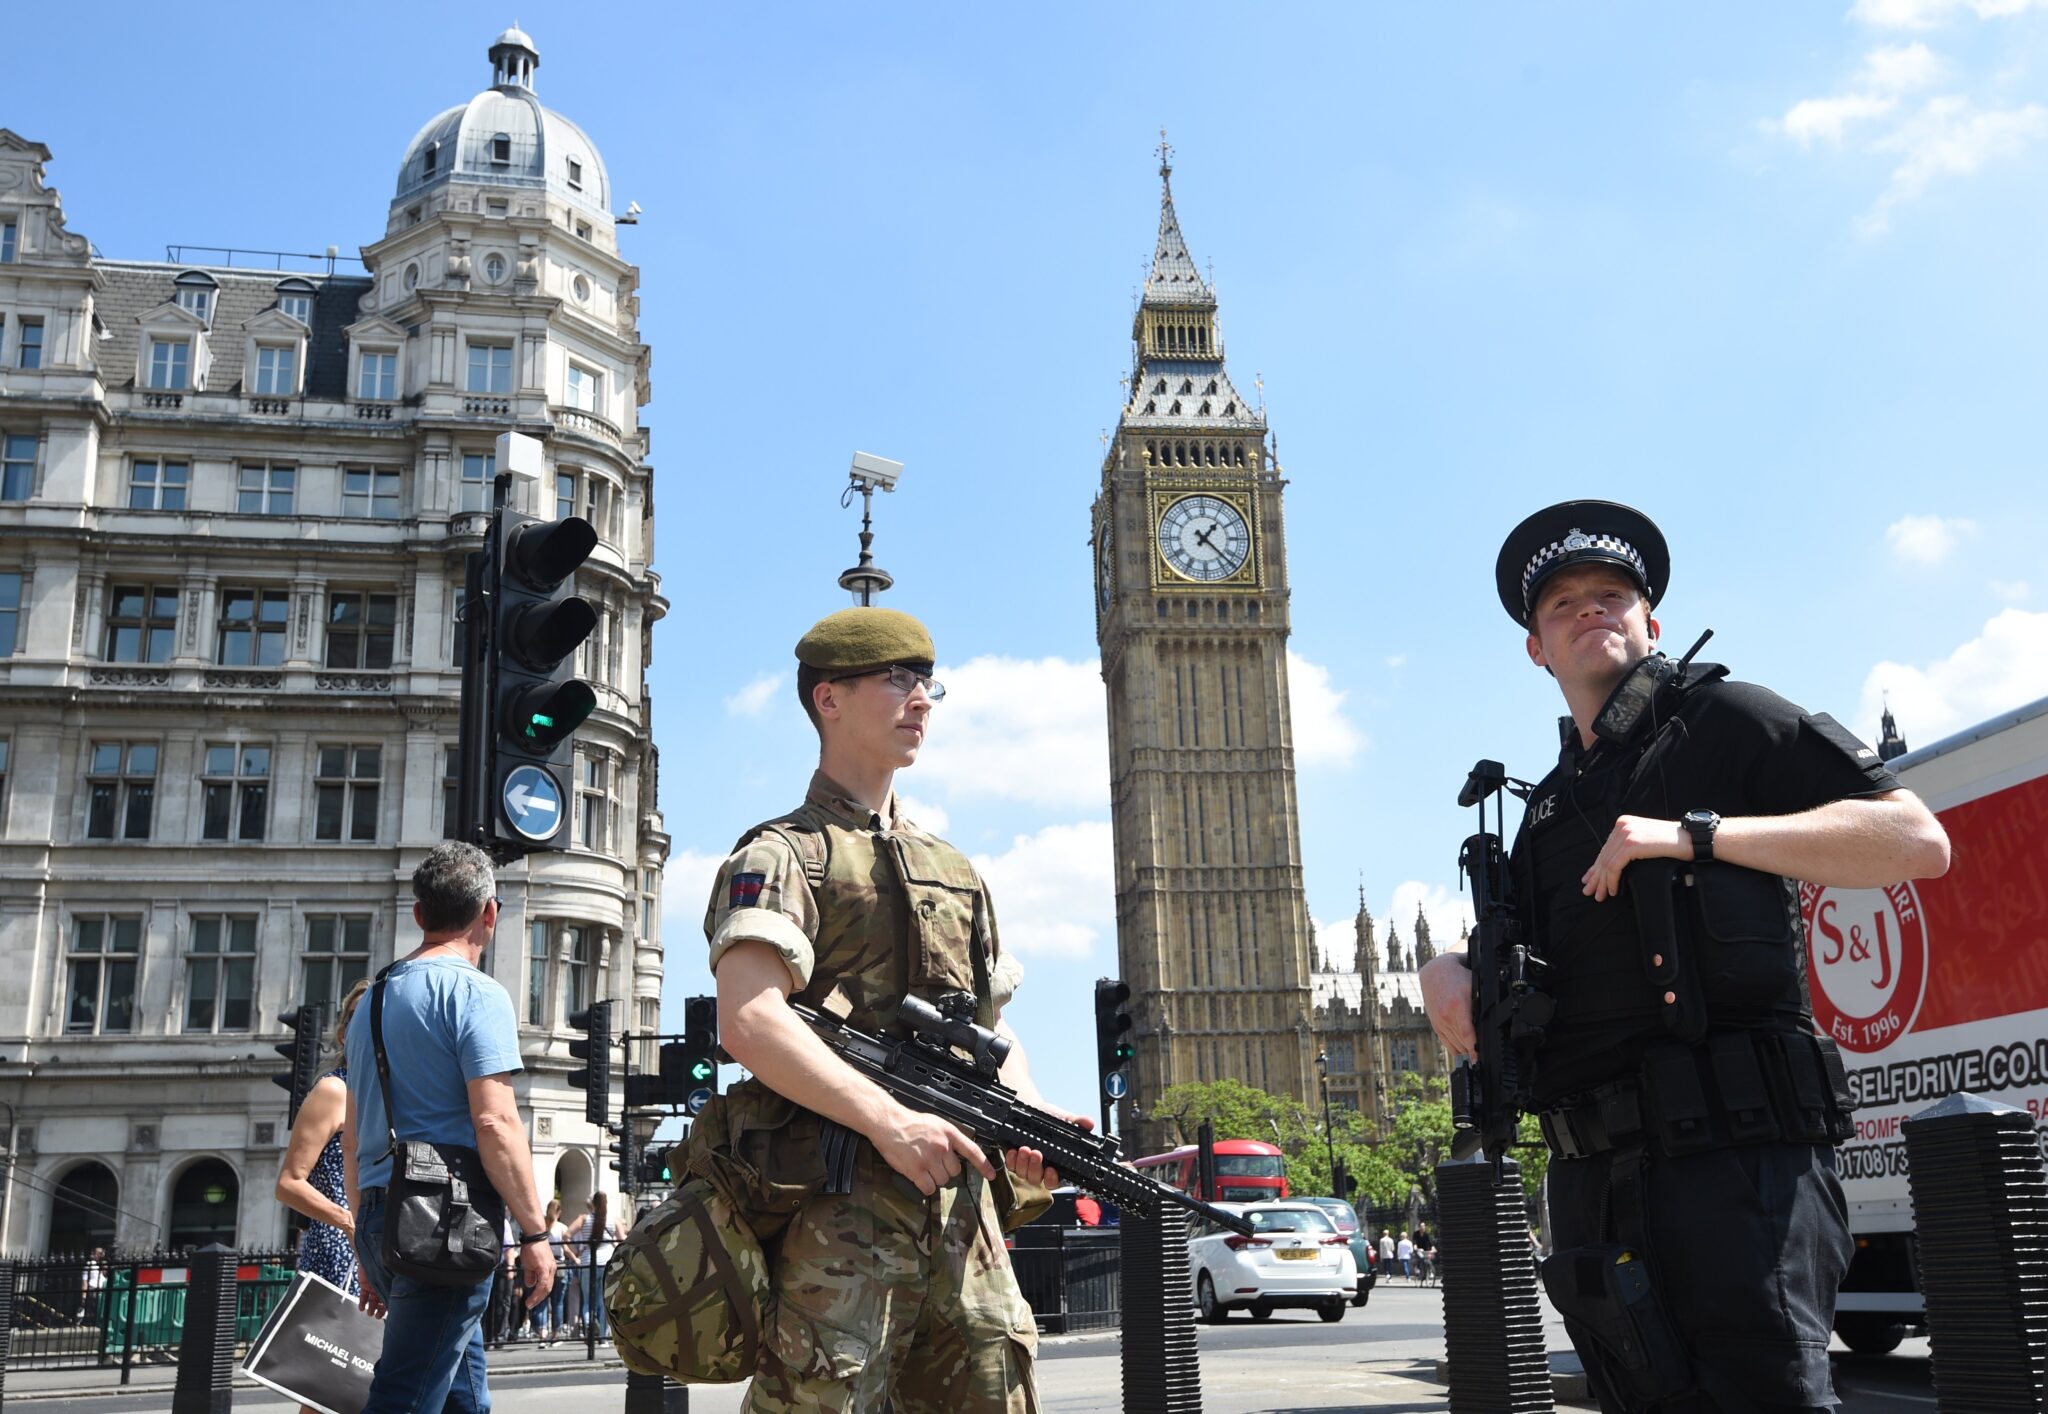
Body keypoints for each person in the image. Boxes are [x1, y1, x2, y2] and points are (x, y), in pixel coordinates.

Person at [1420, 500, 1950, 1413]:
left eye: (1612, 594)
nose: (1591, 610)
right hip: (1594, 1186)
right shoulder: (1542, 812)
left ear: (1650, 620)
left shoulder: (1721, 720)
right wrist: (1448, 968)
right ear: (1536, 649)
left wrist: (1696, 837)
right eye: (1564, 604)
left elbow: (1914, 841)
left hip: (1737, 1169)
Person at [693, 606, 1088, 1412]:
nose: (921, 700)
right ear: (828, 699)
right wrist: (887, 1120)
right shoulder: (780, 855)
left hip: (958, 1219)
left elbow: (989, 1031)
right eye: (897, 680)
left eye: (926, 682)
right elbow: (750, 1019)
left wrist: (1035, 1117)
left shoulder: (955, 868)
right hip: (835, 1218)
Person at [342, 842, 556, 1414]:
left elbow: (353, 1132)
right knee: (405, 1399)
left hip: (382, 1217)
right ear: (490, 912)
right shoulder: (477, 993)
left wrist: (368, 1240)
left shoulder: (372, 1001)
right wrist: (535, 1234)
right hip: (446, 1223)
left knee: (462, 1395)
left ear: (419, 914)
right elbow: (495, 1119)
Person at [274, 979, 369, 1414]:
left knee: (368, 1387)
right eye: (357, 1018)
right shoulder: (334, 1090)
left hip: (378, 1252)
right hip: (338, 1254)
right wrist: (347, 1220)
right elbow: (289, 1182)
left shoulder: (391, 1097)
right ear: (345, 1032)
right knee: (327, 1390)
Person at [564, 1192, 625, 1342]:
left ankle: (589, 1331)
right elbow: (623, 1240)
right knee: (604, 1300)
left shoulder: (584, 1219)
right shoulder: (613, 1220)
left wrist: (575, 1252)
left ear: (593, 1204)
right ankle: (603, 1335)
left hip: (587, 1261)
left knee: (587, 1301)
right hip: (607, 1262)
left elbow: (566, 1235)